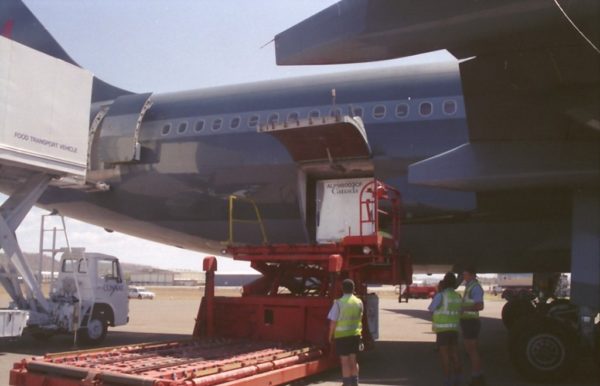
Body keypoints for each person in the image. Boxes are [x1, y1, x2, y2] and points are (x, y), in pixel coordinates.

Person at [428, 272, 462, 386]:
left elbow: (431, 308)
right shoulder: (458, 296)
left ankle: (448, 380)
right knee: (455, 354)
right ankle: (458, 378)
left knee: (445, 355)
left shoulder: (441, 295)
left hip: (443, 330)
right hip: (454, 329)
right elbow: (460, 310)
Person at [328, 278, 364, 386]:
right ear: (353, 289)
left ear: (342, 289)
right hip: (355, 335)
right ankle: (355, 383)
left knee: (345, 362)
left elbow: (333, 322)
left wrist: (330, 336)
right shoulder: (359, 302)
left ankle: (347, 384)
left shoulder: (338, 303)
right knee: (353, 360)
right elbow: (360, 319)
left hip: (342, 336)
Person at [460, 265, 486, 386]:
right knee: (471, 350)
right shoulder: (470, 286)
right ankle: (478, 375)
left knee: (472, 350)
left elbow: (480, 306)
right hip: (468, 321)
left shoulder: (475, 288)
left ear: (471, 275)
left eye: (465, 274)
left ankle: (477, 378)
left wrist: (463, 308)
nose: (463, 276)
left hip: (471, 322)